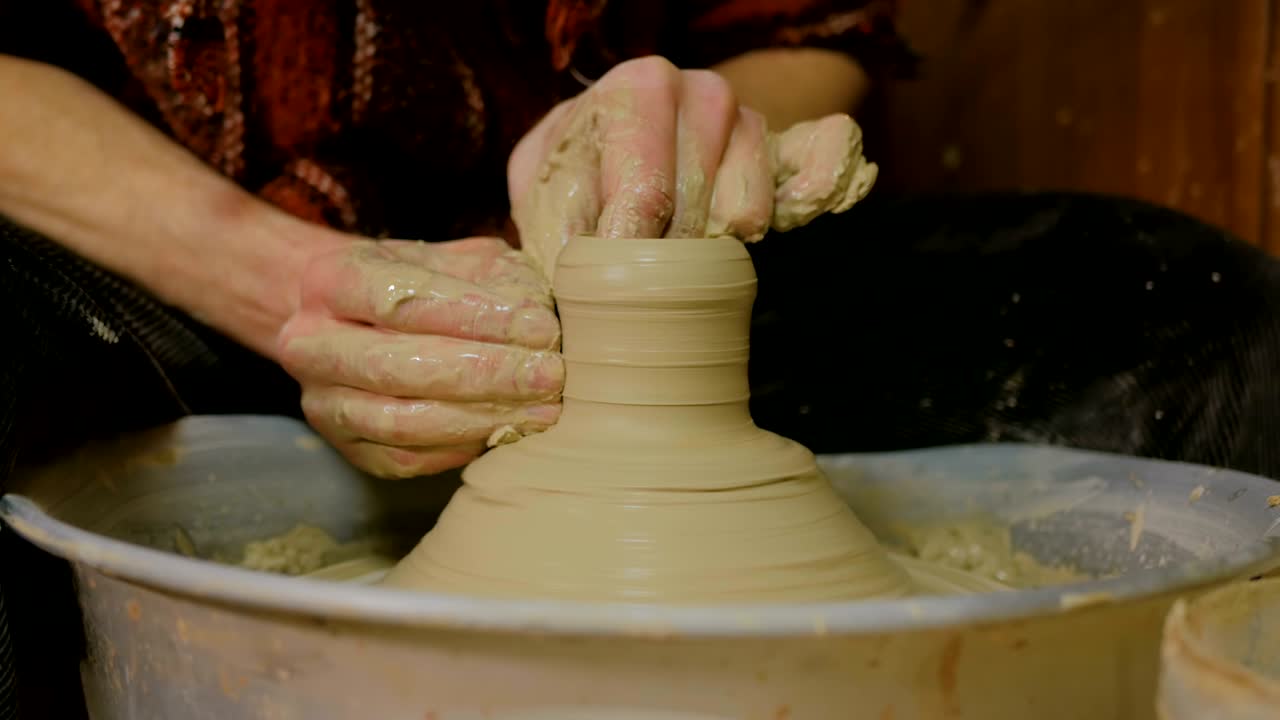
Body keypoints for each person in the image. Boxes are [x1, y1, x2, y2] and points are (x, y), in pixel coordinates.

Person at [0, 1, 913, 716]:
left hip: (555, 245)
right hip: (157, 235)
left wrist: (683, 158)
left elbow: (803, 29)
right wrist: (265, 267)